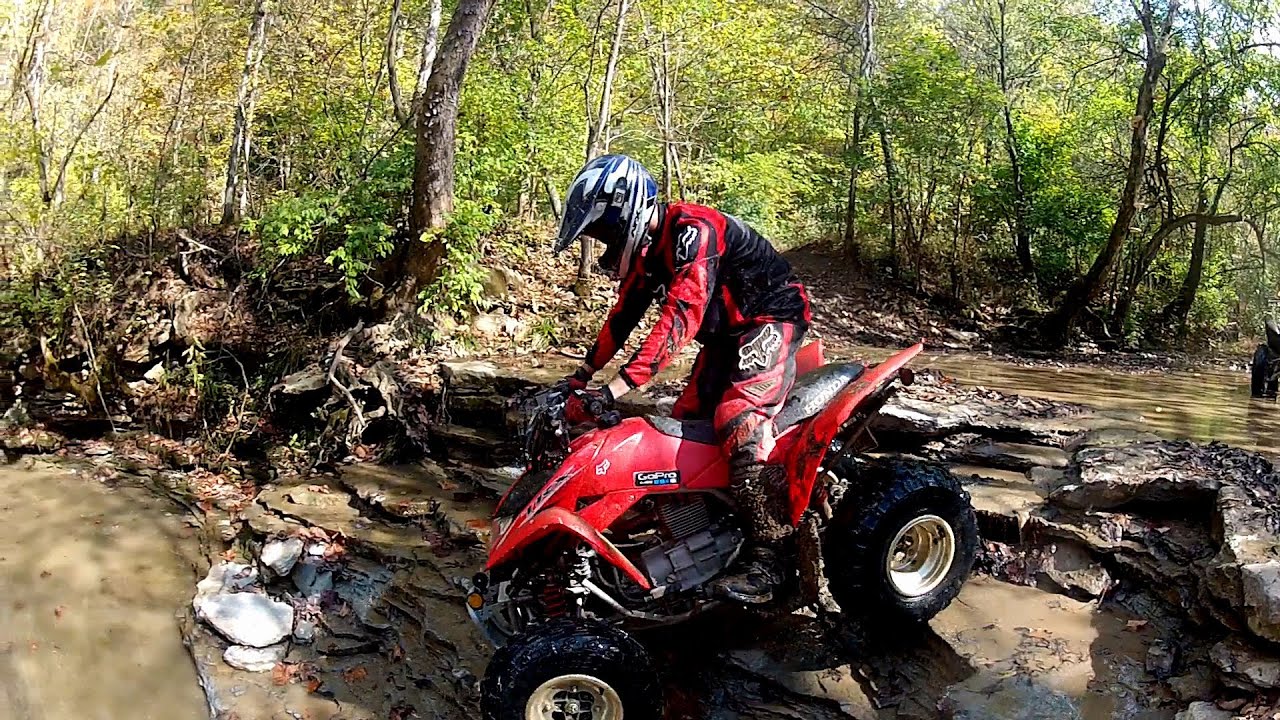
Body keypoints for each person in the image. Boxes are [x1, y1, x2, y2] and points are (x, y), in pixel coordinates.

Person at [553, 154, 812, 604]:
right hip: (726, 337)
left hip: (771, 317)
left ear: (627, 214)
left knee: (739, 420)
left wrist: (617, 389)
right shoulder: (649, 253)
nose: (604, 247)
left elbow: (681, 318)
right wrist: (582, 375)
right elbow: (622, 317)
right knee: (685, 424)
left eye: (603, 234)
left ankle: (770, 555)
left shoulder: (694, 230)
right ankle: (696, 529)